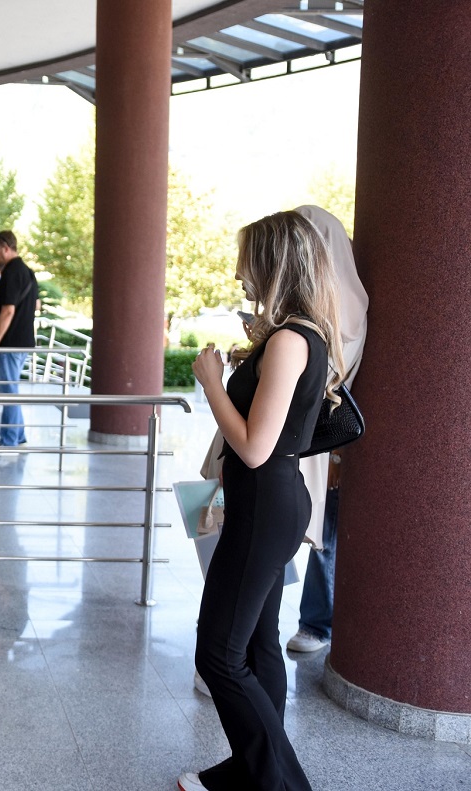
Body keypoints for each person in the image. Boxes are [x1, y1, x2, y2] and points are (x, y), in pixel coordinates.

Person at [182, 210, 345, 791]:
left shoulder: (289, 341)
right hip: (273, 505)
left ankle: (278, 780)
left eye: (247, 261)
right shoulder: (298, 334)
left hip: (265, 508)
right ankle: (253, 770)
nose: (237, 274)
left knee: (218, 656)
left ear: (274, 264)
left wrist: (210, 383)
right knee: (256, 643)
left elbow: (252, 446)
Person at [285, 204, 368, 654]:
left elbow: (330, 375)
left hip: (316, 438)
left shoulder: (345, 304)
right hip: (292, 435)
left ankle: (316, 621)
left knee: (321, 532)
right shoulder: (302, 303)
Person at [0, 231, 38, 451]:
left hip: (10, 342)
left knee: (8, 392)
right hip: (23, 340)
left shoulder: (12, 272)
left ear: (6, 247)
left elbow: (7, 311)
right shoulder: (27, 272)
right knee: (11, 389)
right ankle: (18, 435)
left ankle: (8, 441)